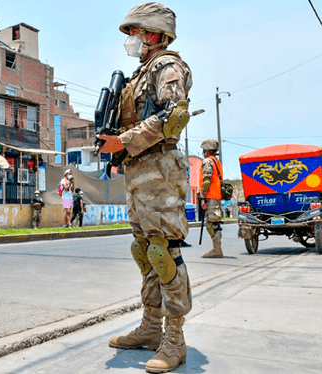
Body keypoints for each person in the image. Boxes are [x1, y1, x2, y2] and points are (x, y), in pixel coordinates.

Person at [98, 3, 193, 372]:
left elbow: (173, 117)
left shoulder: (168, 66)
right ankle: (151, 327)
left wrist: (124, 142)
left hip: (160, 171)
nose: (131, 41)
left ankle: (175, 338)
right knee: (144, 250)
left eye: (136, 33)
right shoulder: (139, 74)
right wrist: (117, 147)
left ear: (153, 34)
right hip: (138, 172)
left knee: (164, 251)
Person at [199, 139, 224, 258]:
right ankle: (217, 248)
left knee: (211, 224)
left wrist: (202, 197)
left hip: (211, 196)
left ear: (207, 150)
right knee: (215, 223)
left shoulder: (208, 162)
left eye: (204, 150)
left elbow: (206, 180)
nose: (203, 153)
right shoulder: (216, 162)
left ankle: (217, 250)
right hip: (216, 196)